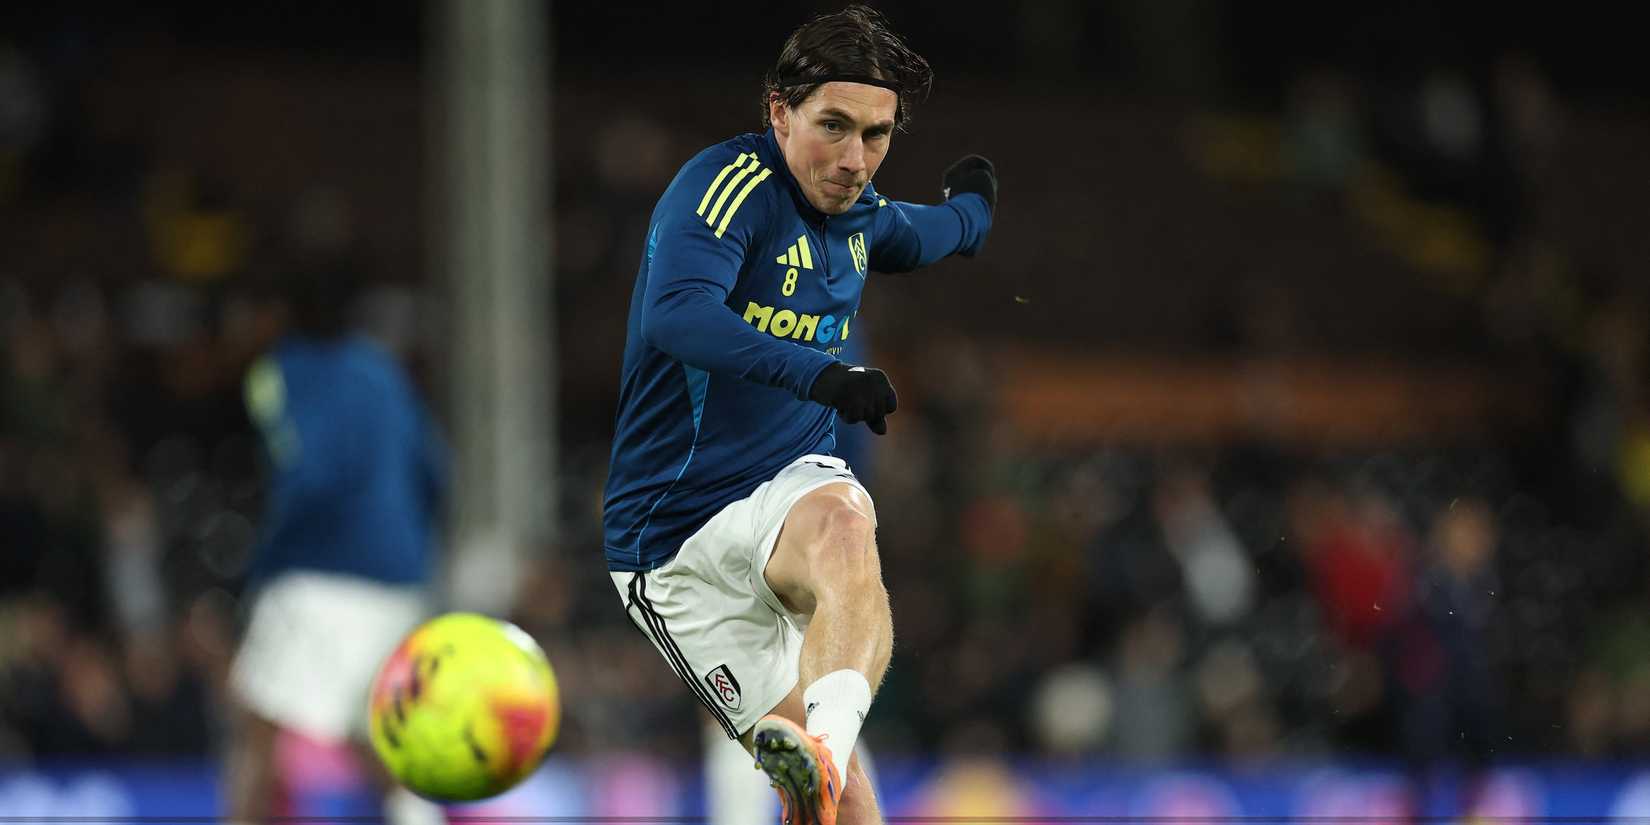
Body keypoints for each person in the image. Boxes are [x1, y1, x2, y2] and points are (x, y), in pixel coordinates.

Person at [602, 6, 997, 824]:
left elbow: (920, 233)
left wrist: (972, 217)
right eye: (834, 127)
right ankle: (823, 774)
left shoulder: (857, 210)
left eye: (878, 135)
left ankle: (823, 744)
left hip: (783, 490)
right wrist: (820, 374)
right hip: (675, 539)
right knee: (850, 810)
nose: (855, 162)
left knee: (847, 524)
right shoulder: (725, 187)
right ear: (777, 112)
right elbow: (678, 314)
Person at [224, 254, 449, 825]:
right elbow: (437, 471)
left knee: (256, 723)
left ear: (275, 314)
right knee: (382, 735)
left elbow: (306, 471)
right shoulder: (384, 371)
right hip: (399, 577)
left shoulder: (279, 370)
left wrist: (266, 561)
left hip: (317, 571)